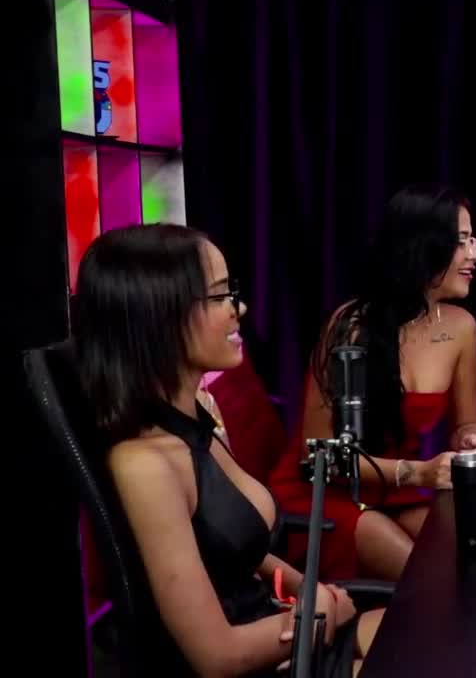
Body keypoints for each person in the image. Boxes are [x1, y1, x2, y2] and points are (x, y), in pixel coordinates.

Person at [74, 223, 383, 677]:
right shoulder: (145, 465)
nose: (239, 308)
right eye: (219, 296)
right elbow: (216, 656)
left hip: (279, 632)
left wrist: (312, 589)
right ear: (161, 316)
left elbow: (233, 549)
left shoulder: (198, 417)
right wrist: (316, 618)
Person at [269, 183, 476, 582]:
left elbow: (467, 423)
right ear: (422, 246)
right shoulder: (350, 327)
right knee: (430, 581)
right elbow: (316, 457)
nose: (474, 254)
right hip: (327, 493)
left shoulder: (462, 328)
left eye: (473, 240)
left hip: (395, 493)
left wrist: (471, 439)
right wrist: (417, 473)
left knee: (471, 552)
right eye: (461, 242)